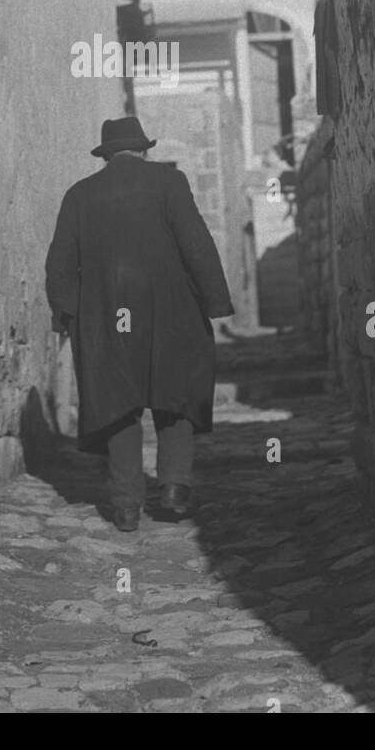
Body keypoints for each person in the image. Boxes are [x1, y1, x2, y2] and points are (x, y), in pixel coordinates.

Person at [45, 115, 234, 532]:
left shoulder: (79, 196)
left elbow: (59, 266)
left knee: (118, 405)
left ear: (107, 154)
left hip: (105, 316)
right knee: (177, 393)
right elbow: (195, 243)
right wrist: (213, 301)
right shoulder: (170, 183)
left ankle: (127, 504)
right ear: (143, 149)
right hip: (171, 309)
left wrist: (70, 316)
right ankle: (173, 486)